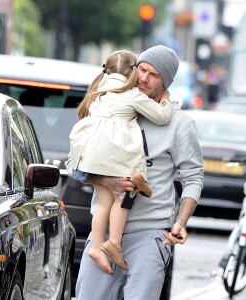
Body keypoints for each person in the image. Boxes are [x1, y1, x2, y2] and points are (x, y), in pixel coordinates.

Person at [70, 45, 204, 300]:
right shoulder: (111, 105)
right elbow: (74, 165)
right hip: (104, 236)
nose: (143, 78)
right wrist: (111, 181)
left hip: (149, 236)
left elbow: (193, 177)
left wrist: (180, 222)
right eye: (141, 69)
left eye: (153, 75)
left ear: (166, 82)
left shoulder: (179, 124)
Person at [67, 49, 174, 272]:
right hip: (113, 156)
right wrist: (166, 101)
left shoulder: (98, 89)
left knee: (104, 204)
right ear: (132, 71)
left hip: (90, 155)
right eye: (140, 69)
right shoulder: (131, 93)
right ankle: (114, 242)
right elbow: (161, 117)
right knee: (123, 196)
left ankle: (96, 247)